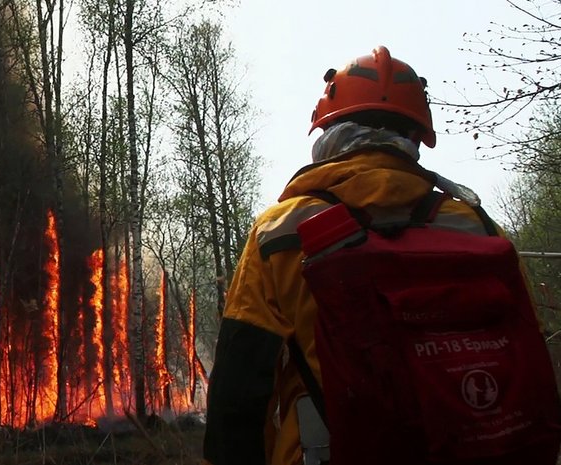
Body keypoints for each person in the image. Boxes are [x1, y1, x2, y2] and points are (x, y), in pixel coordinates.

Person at [202, 46, 549, 465]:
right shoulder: (477, 226)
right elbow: (530, 360)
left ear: (328, 132)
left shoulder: (281, 231)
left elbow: (238, 394)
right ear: (416, 137)